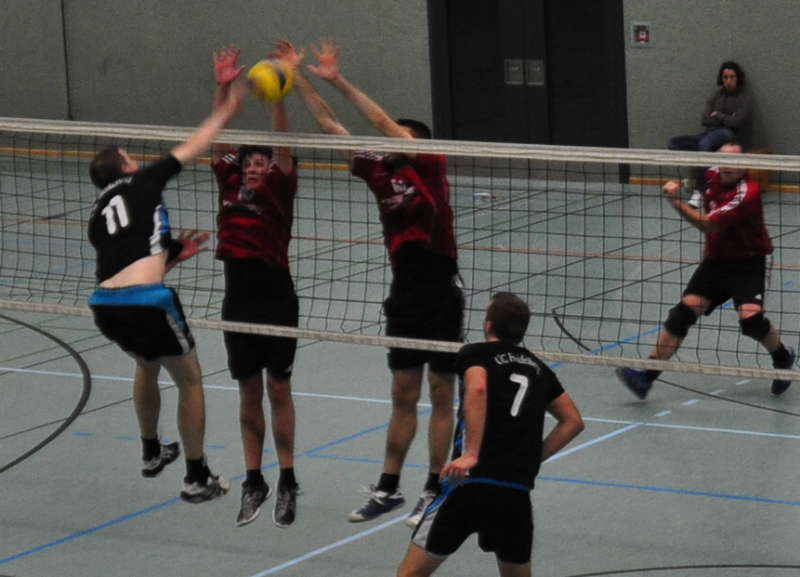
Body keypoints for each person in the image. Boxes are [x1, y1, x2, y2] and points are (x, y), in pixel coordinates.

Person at [279, 39, 463, 527]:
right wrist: (298, 76)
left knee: (441, 392)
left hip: (441, 289)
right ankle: (388, 488)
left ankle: (436, 488)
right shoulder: (378, 170)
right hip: (404, 293)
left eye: (401, 135)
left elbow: (380, 122)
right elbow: (331, 127)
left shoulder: (430, 164)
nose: (390, 137)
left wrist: (338, 79)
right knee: (403, 394)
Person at [86, 77, 246, 502]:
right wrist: (228, 105)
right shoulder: (144, 180)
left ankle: (151, 451)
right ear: (125, 166)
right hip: (147, 302)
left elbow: (127, 258)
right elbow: (198, 142)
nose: (136, 159)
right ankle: (197, 478)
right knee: (190, 381)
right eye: (130, 156)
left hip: (105, 305)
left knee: (147, 362)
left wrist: (173, 254)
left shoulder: (98, 214)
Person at [396, 292, 584, 577]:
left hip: (468, 485)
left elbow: (478, 387)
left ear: (488, 325)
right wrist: (532, 458)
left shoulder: (476, 354)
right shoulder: (540, 370)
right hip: (515, 491)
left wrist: (471, 454)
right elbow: (573, 421)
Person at [616, 141, 795, 399]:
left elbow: (709, 225)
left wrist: (676, 201)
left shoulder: (747, 193)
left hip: (749, 263)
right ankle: (646, 376)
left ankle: (782, 357)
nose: (727, 167)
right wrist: (690, 192)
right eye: (723, 161)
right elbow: (701, 180)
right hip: (716, 262)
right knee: (681, 315)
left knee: (751, 320)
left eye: (734, 162)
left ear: (744, 166)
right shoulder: (711, 174)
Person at [211, 46, 301, 528]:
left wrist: (279, 93)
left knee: (278, 387)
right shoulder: (229, 182)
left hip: (276, 297)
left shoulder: (280, 185)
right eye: (248, 161)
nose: (253, 166)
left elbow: (283, 145)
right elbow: (215, 137)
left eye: (261, 161)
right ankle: (254, 480)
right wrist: (223, 87)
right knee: (247, 391)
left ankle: (287, 479)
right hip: (237, 298)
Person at [668, 61, 752, 208]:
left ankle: (701, 191)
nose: (728, 81)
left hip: (729, 135)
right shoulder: (716, 95)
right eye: (725, 77)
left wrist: (718, 115)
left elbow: (737, 122)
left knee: (704, 145)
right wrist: (727, 118)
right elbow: (704, 119)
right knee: (674, 143)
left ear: (738, 78)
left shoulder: (744, 98)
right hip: (708, 133)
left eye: (732, 77)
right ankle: (709, 170)